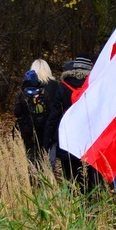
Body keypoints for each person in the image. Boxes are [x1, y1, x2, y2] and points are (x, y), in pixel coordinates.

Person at [45, 55, 99, 190]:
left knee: (71, 174)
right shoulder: (95, 85)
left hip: (68, 138)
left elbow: (54, 116)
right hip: (90, 138)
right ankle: (93, 201)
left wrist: (48, 139)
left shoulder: (63, 87)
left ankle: (74, 200)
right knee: (91, 173)